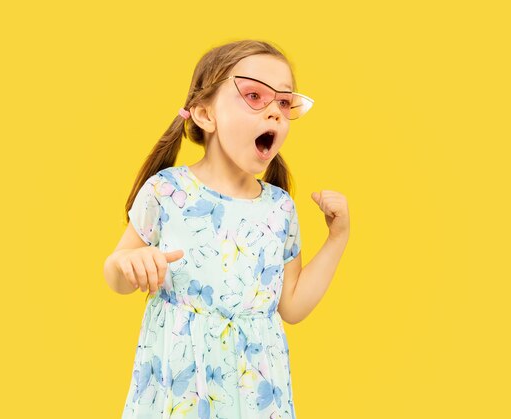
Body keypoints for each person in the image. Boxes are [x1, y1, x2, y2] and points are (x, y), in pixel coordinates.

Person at [103, 39, 350, 419]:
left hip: (255, 391)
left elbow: (293, 305)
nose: (274, 114)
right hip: (180, 387)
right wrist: (129, 264)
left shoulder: (279, 207)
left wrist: (336, 239)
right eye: (254, 95)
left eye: (284, 102)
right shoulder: (168, 191)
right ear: (204, 114)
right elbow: (116, 274)